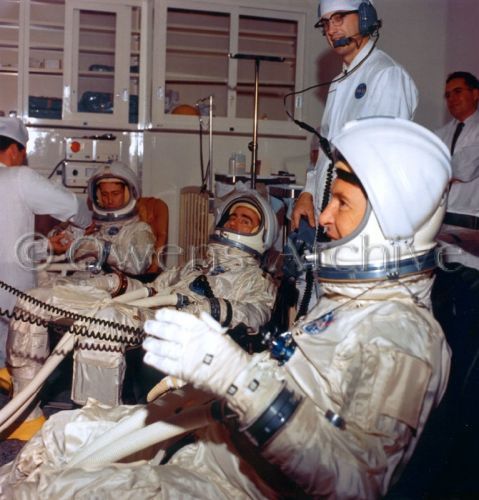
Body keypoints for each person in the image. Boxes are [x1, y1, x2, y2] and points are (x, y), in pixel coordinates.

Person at [0, 118, 452, 498]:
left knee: (66, 488)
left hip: (232, 479)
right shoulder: (348, 306)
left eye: (341, 202)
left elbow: (355, 485)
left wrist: (233, 374)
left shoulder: (401, 337)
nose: (325, 218)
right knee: (58, 436)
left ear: (390, 221)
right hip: (211, 434)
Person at [2, 188, 278, 440]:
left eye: (246, 220)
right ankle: (26, 413)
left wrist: (213, 308)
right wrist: (116, 283)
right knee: (35, 300)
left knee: (105, 320)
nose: (234, 223)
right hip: (150, 311)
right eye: (233, 217)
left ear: (261, 234)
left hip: (174, 329)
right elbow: (154, 289)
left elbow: (257, 313)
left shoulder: (256, 279)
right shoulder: (195, 267)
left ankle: (92, 429)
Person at [292, 0, 418, 231]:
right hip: (330, 215)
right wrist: (308, 192)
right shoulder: (338, 82)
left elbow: (382, 161)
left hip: (359, 220)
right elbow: (325, 148)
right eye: (326, 23)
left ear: (365, 17)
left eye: (339, 18)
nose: (331, 30)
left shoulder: (386, 75)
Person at [0, 117, 91, 366]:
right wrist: (88, 223)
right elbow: (72, 207)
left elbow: (8, 242)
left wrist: (47, 246)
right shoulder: (19, 177)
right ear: (14, 150)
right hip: (9, 294)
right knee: (19, 365)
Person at [435, 71, 479, 228]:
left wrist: (441, 171)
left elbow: (465, 169)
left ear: (475, 94)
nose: (451, 99)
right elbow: (428, 171)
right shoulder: (439, 134)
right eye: (447, 95)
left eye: (458, 92)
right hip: (441, 215)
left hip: (472, 216)